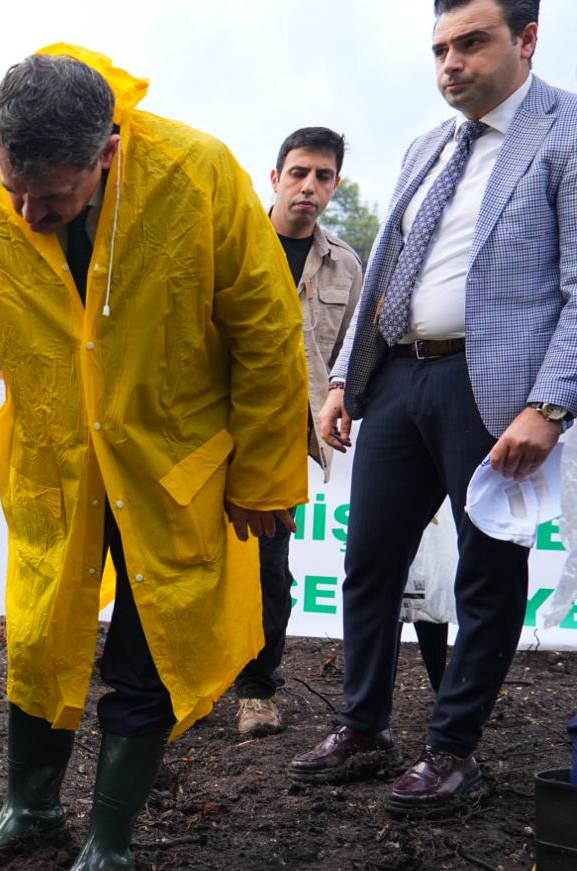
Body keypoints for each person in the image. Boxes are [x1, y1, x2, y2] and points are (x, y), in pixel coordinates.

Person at [0, 46, 307, 871]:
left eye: (53, 197)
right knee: (39, 641)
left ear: (106, 152)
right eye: (13, 189)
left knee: (146, 654)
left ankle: (110, 843)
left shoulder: (197, 177)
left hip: (169, 473)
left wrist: (264, 472)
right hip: (55, 474)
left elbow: (266, 328)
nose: (27, 213)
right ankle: (30, 806)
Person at [292, 0, 577, 817]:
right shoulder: (429, 145)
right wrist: (347, 378)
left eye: (472, 43)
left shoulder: (566, 134)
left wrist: (550, 404)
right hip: (400, 380)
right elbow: (387, 270)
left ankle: (452, 751)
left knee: (487, 574)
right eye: (441, 48)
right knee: (370, 561)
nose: (451, 63)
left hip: (493, 392)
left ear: (526, 40)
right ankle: (363, 727)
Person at [233, 129, 365, 738]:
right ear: (275, 177)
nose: (309, 186)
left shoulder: (346, 264)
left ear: (334, 183)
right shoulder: (232, 245)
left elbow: (346, 355)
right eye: (299, 173)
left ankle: (257, 691)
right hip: (214, 431)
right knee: (191, 560)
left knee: (269, 566)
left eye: (323, 176)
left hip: (286, 440)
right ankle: (177, 687)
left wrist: (336, 400)